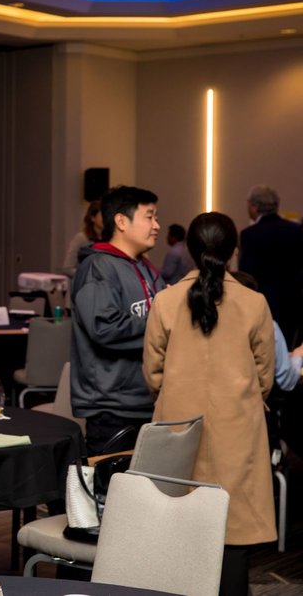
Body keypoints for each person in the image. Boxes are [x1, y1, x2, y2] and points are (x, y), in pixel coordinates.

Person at [143, 212, 275, 596]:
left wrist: (174, 397)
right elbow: (265, 375)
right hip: (238, 430)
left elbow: (152, 373)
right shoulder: (254, 303)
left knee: (178, 531)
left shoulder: (165, 301)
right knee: (233, 534)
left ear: (189, 250)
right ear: (234, 251)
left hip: (178, 429)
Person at [70, 185, 165, 454]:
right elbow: (105, 328)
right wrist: (163, 325)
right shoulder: (98, 267)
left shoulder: (147, 269)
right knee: (111, 481)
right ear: (121, 221)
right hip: (112, 406)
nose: (157, 226)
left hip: (146, 400)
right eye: (149, 216)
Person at [239, 185, 303, 347]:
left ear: (254, 206)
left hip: (263, 303)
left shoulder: (250, 234)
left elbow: (247, 275)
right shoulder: (296, 230)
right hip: (293, 301)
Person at [62, 200, 102, 277]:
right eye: (102, 215)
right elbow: (67, 268)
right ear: (93, 218)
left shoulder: (110, 239)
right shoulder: (82, 238)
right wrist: (89, 275)